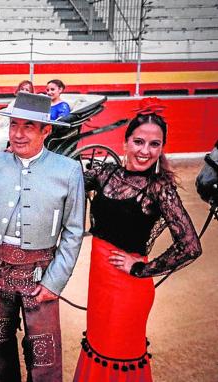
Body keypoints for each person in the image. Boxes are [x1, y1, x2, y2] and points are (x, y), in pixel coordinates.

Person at [73, 98, 202, 381]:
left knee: (119, 354)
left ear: (162, 148)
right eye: (139, 141)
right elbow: (68, 180)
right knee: (98, 346)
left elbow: (190, 245)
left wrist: (141, 268)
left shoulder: (160, 189)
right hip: (99, 284)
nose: (145, 151)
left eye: (154, 144)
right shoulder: (106, 175)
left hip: (128, 288)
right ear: (126, 142)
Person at [0, 92, 85, 382]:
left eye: (28, 126)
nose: (18, 134)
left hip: (43, 274)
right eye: (13, 125)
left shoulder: (69, 171)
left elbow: (73, 231)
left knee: (43, 351)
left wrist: (55, 281)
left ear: (46, 130)